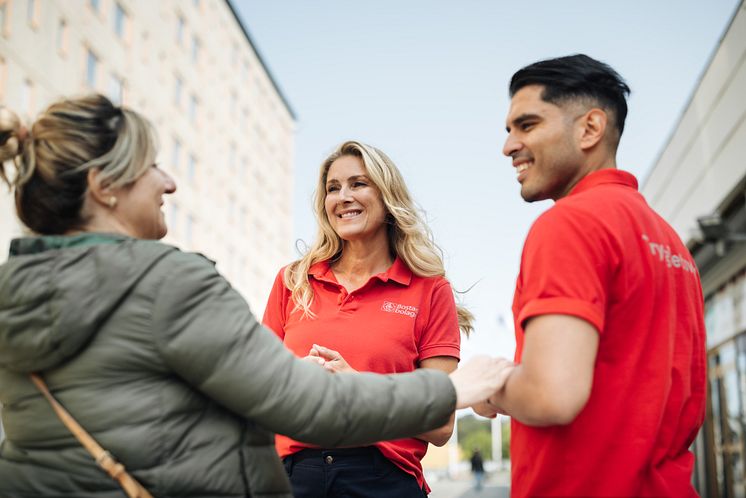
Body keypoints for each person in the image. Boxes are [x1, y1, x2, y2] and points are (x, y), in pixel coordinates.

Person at [0, 95, 514, 498]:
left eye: (360, 184)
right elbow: (292, 400)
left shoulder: (10, 290)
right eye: (152, 164)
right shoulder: (182, 282)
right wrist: (453, 389)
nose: (170, 182)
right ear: (103, 187)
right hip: (290, 468)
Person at [476, 54, 707, 497]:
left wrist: (490, 388)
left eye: (526, 125)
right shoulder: (672, 244)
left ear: (590, 128)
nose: (508, 146)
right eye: (509, 130)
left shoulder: (570, 224)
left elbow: (551, 394)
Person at [263, 140, 469, 497]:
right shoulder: (293, 281)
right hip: (292, 477)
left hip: (382, 479)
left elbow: (440, 426)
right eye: (333, 188)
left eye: (358, 183)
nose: (343, 196)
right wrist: (294, 382)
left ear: (387, 196)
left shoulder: (430, 289)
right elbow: (257, 395)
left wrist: (358, 387)